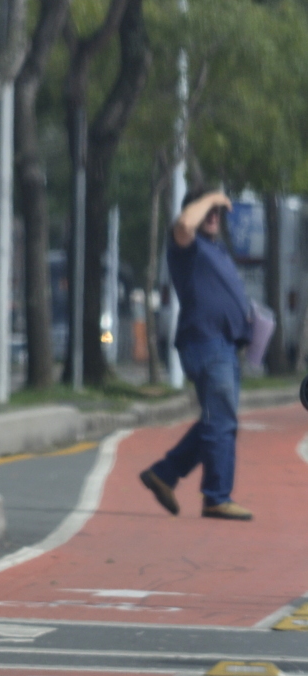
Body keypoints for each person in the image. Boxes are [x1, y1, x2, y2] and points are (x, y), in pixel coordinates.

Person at [140, 188, 253, 520]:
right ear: (194, 210)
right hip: (206, 342)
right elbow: (184, 225)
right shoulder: (186, 245)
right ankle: (216, 497)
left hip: (225, 344)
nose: (215, 216)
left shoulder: (214, 249)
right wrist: (212, 197)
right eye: (209, 211)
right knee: (221, 421)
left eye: (219, 212)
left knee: (217, 421)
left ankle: (165, 473)